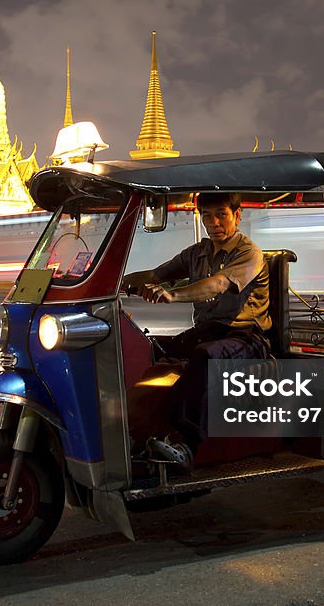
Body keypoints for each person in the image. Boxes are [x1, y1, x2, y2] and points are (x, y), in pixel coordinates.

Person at [122, 192, 271, 470]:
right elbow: (156, 275)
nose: (213, 222)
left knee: (204, 356)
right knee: (153, 347)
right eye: (207, 216)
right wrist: (114, 282)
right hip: (208, 331)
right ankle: (142, 432)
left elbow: (218, 284)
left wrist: (173, 295)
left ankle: (187, 444)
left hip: (246, 337)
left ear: (237, 215)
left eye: (221, 214)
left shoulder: (249, 253)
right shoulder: (197, 253)